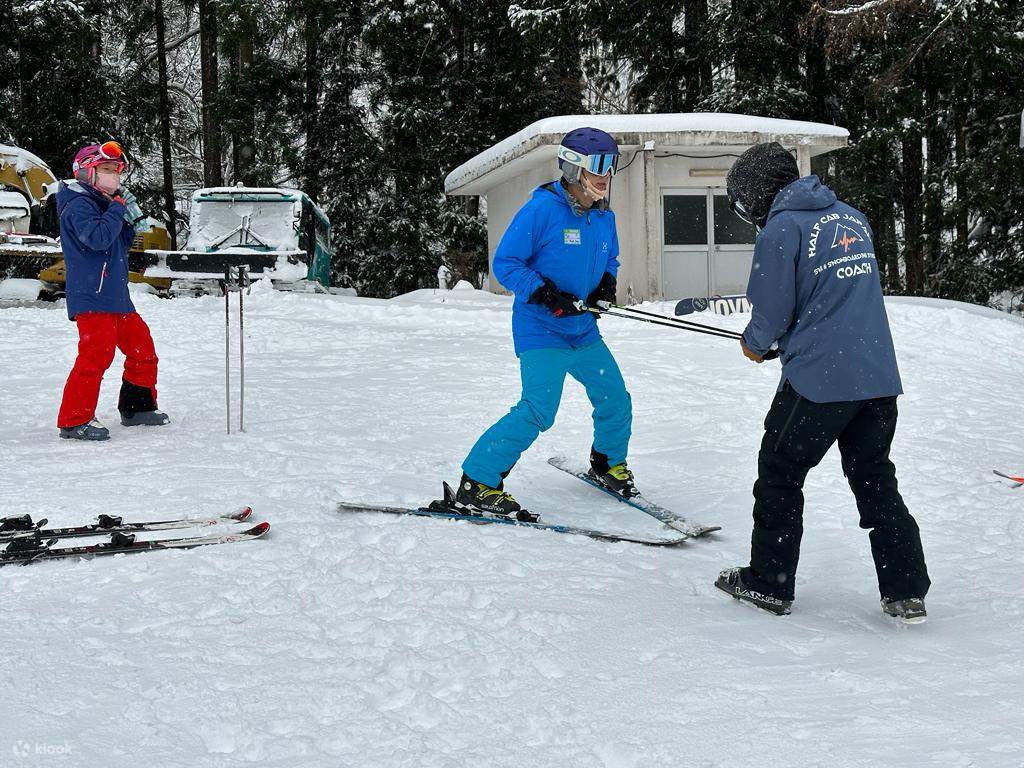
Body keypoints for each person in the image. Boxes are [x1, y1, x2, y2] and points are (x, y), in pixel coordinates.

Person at [714, 142, 930, 623]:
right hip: (876, 378)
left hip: (820, 383)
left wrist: (756, 343)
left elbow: (772, 309)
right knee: (874, 478)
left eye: (743, 204)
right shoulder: (852, 217)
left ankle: (768, 583)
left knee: (780, 473)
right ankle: (906, 590)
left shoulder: (781, 228)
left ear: (757, 194)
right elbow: (831, 296)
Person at [456, 127, 634, 516]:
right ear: (572, 168)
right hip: (541, 330)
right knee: (539, 409)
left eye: (611, 165)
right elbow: (506, 264)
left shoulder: (604, 218)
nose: (605, 175)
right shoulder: (540, 211)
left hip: (583, 329)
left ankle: (607, 463)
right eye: (597, 166)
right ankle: (477, 480)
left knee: (615, 398)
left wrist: (606, 285)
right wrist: (544, 293)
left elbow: (610, 260)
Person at [55, 141, 169, 441]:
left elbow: (119, 241)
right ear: (88, 172)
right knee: (95, 356)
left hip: (116, 296)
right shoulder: (78, 204)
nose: (114, 177)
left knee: (142, 349)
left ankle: (137, 407)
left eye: (117, 171)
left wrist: (128, 216)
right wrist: (117, 209)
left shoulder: (102, 203)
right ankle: (74, 419)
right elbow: (97, 238)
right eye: (107, 170)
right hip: (93, 296)